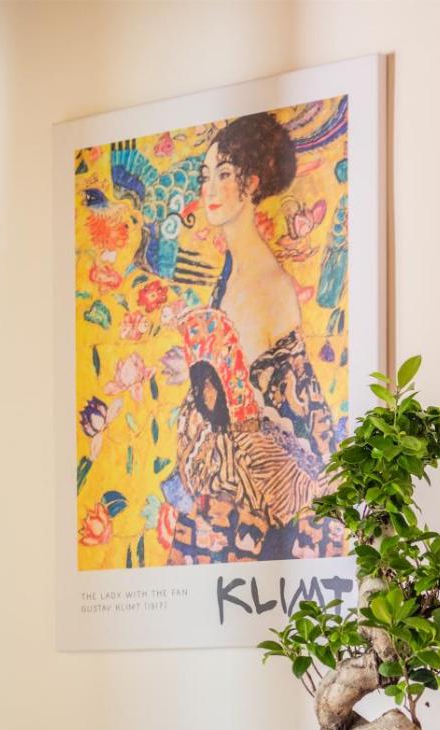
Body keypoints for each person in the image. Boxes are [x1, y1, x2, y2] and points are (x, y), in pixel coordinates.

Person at [162, 111, 343, 564]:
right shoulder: (230, 276)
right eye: (206, 175)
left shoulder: (267, 285)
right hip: (218, 502)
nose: (210, 188)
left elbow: (267, 417)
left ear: (252, 184)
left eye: (224, 174)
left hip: (251, 519)